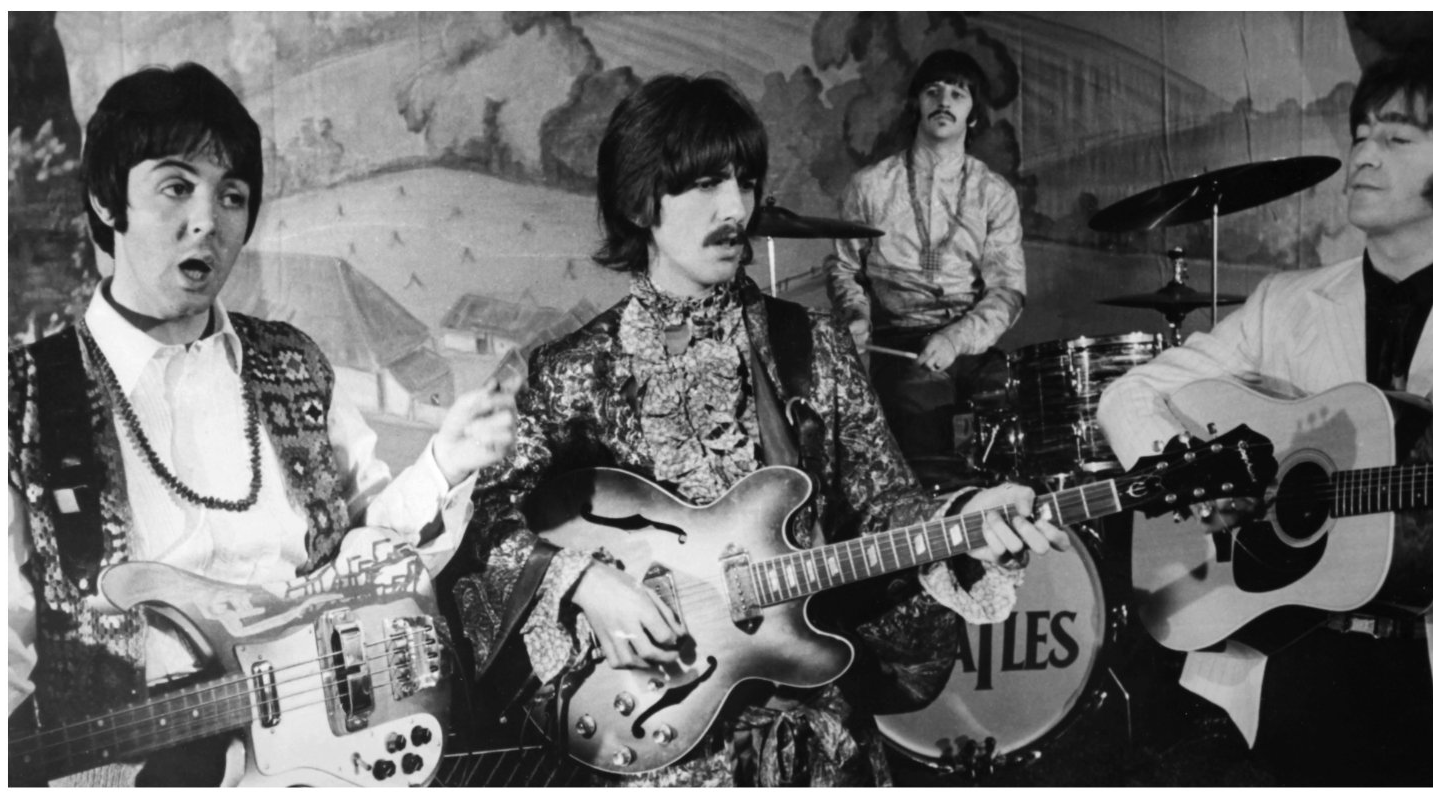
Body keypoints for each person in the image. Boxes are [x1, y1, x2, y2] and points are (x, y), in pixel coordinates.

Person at [447, 73, 1069, 787]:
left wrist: (963, 520)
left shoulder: (809, 348)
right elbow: (486, 521)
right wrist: (586, 582)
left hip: (812, 737)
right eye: (707, 183)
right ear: (640, 198)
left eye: (745, 182)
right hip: (655, 742)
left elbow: (885, 502)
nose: (736, 207)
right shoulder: (571, 372)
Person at [7, 62, 520, 786]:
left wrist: (443, 464)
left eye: (233, 196)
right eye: (176, 187)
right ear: (105, 198)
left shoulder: (293, 364)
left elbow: (369, 560)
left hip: (327, 766)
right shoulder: (22, 402)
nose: (208, 221)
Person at [1096, 49, 1433, 786]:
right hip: (1294, 667)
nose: (1361, 154)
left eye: (1396, 138)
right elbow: (1128, 396)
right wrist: (1202, 482)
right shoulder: (1286, 304)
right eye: (1360, 134)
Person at [824, 49, 1026, 472]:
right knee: (921, 410)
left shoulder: (995, 193)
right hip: (899, 345)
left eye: (958, 93)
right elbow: (844, 269)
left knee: (1020, 405)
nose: (944, 101)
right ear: (915, 102)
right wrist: (855, 316)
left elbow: (1008, 290)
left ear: (973, 116)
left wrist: (957, 338)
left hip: (971, 344)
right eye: (933, 90)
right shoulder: (870, 186)